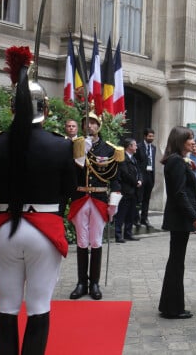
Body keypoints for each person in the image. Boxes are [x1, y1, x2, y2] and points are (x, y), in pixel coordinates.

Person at [0, 48, 77, 355]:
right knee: (39, 308)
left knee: (6, 309)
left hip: (4, 232)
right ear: (47, 110)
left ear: (12, 108)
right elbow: (70, 190)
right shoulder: (61, 147)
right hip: (45, 231)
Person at [68, 112, 123, 300]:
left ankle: (95, 283)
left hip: (99, 199)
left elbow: (115, 178)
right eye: (86, 123)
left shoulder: (108, 149)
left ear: (98, 126)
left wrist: (113, 202)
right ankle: (81, 282)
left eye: (93, 123)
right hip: (80, 197)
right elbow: (71, 171)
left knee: (96, 241)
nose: (89, 126)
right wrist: (81, 151)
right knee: (82, 242)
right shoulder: (75, 146)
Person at [158, 126, 196, 319]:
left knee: (176, 262)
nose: (193, 142)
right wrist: (194, 217)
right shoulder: (177, 162)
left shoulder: (178, 161)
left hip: (179, 219)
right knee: (176, 263)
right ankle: (173, 308)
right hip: (179, 219)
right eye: (190, 138)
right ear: (180, 141)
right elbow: (180, 194)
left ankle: (169, 305)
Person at [115, 138, 142, 243]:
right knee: (121, 213)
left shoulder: (134, 159)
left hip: (134, 191)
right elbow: (125, 174)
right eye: (135, 145)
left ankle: (128, 233)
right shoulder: (122, 158)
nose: (136, 147)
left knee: (131, 213)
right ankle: (118, 235)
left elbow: (139, 171)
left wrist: (140, 179)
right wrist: (136, 182)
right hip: (125, 190)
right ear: (129, 146)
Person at [136, 128, 156, 229]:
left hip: (150, 175)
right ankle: (137, 219)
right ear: (145, 136)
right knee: (139, 198)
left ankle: (145, 218)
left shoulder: (153, 148)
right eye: (149, 136)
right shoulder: (139, 147)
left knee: (147, 199)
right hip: (142, 175)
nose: (151, 138)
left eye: (152, 136)